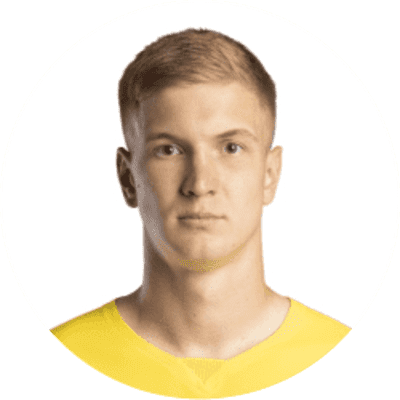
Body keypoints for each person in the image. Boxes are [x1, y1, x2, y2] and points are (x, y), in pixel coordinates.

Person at [51, 28, 351, 399]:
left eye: (231, 147)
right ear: (128, 178)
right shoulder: (53, 363)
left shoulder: (350, 363)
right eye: (169, 150)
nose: (200, 183)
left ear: (270, 174)